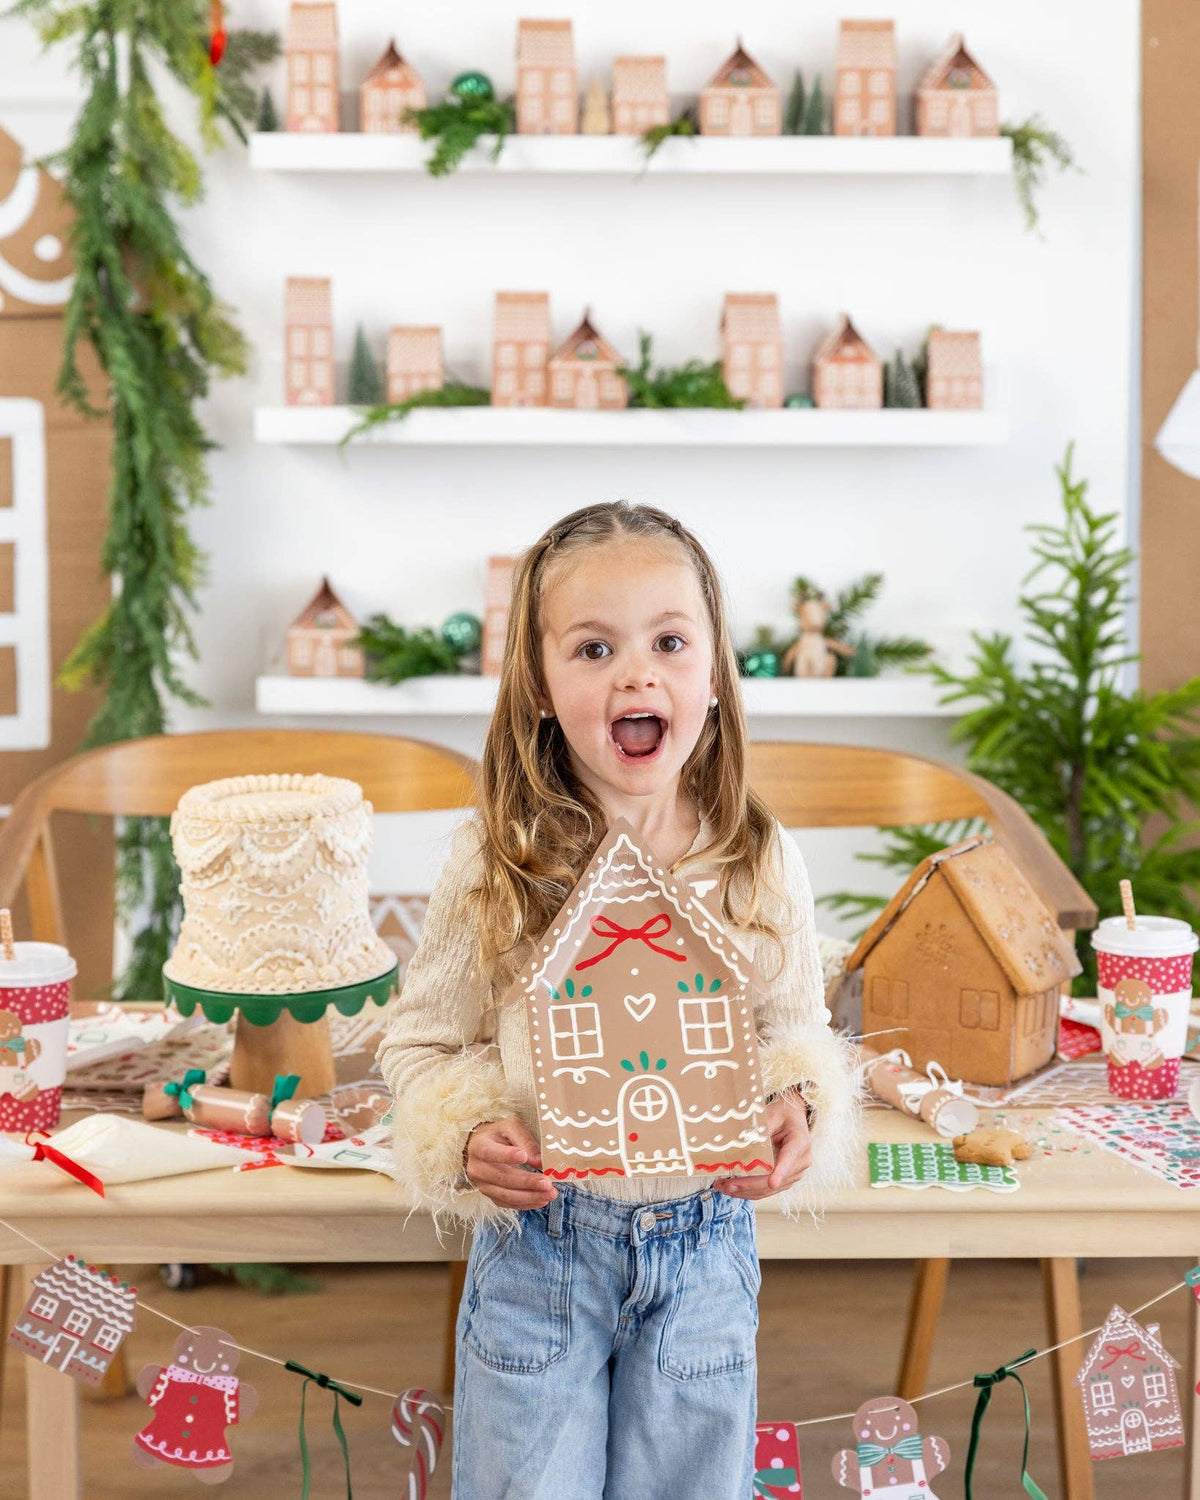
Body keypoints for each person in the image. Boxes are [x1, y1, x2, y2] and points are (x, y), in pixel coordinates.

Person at [377, 501, 858, 1499]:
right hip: (544, 1252)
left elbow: (797, 1032)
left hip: (706, 1255)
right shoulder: (497, 863)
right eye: (594, 648)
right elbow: (420, 1044)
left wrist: (800, 1106)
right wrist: (460, 1133)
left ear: (715, 676)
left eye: (670, 642)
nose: (637, 674)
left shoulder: (760, 863)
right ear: (541, 689)